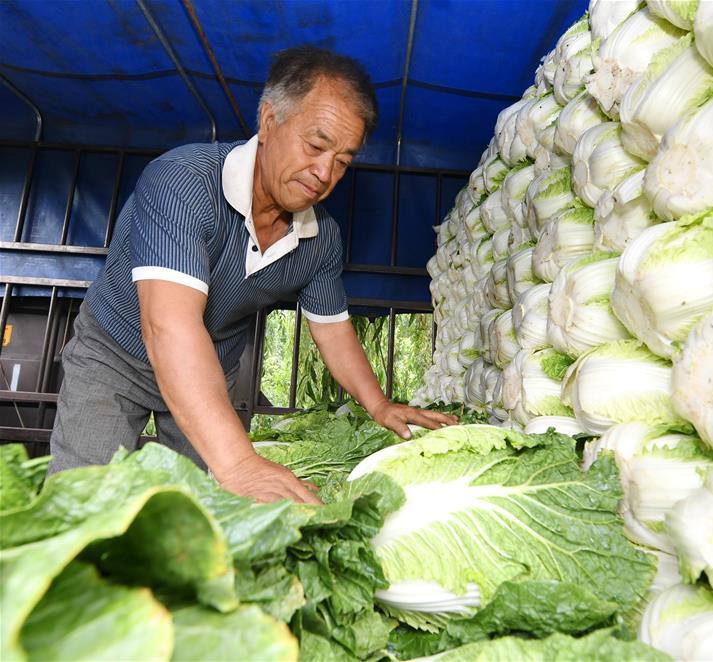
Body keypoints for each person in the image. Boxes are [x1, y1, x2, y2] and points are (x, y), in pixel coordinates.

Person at [48, 46, 457, 504]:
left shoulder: (321, 238)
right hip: (116, 355)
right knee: (80, 503)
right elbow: (169, 325)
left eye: (342, 161)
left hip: (211, 370)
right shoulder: (182, 182)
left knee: (195, 513)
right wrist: (240, 463)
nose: (324, 173)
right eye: (316, 145)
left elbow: (334, 330)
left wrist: (378, 404)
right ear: (268, 121)